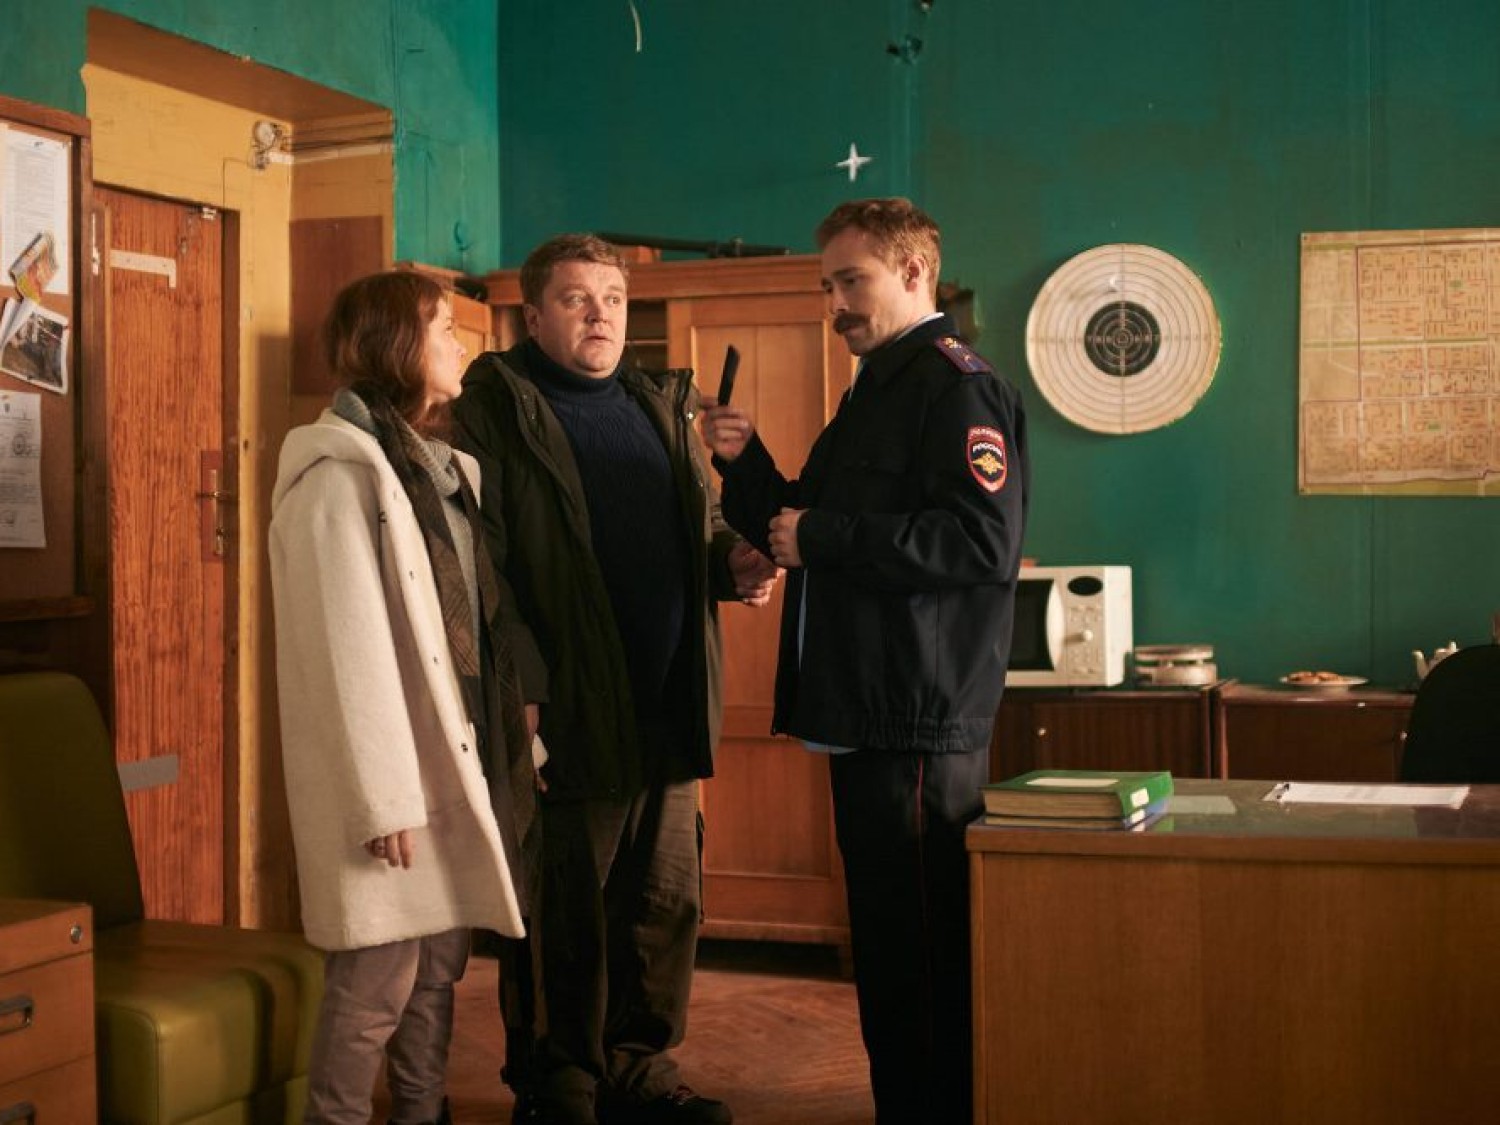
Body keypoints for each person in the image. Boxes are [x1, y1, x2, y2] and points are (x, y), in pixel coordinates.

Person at [697, 198, 1030, 1125]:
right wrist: (745, 462)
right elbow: (798, 523)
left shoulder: (956, 388)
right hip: (868, 711)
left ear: (915, 271)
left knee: (920, 957)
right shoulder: (875, 388)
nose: (835, 303)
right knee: (888, 952)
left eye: (852, 280)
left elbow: (980, 542)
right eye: (828, 285)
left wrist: (825, 534)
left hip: (917, 715)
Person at [452, 234, 779, 1125]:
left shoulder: (656, 403)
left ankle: (640, 1067)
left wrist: (733, 563)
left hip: (668, 700)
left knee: (664, 902)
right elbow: (482, 567)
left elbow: (701, 526)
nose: (600, 315)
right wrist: (522, 684)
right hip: (567, 706)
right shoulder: (496, 409)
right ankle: (558, 1082)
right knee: (566, 908)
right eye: (576, 299)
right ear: (534, 315)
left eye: (613, 299)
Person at [269, 270, 538, 1125]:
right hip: (390, 779)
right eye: (443, 328)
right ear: (397, 346)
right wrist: (382, 798)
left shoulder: (437, 472)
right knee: (374, 979)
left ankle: (423, 1115)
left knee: (436, 970)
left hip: (447, 759)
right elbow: (345, 653)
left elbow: (469, 635)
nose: (461, 343)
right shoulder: (335, 479)